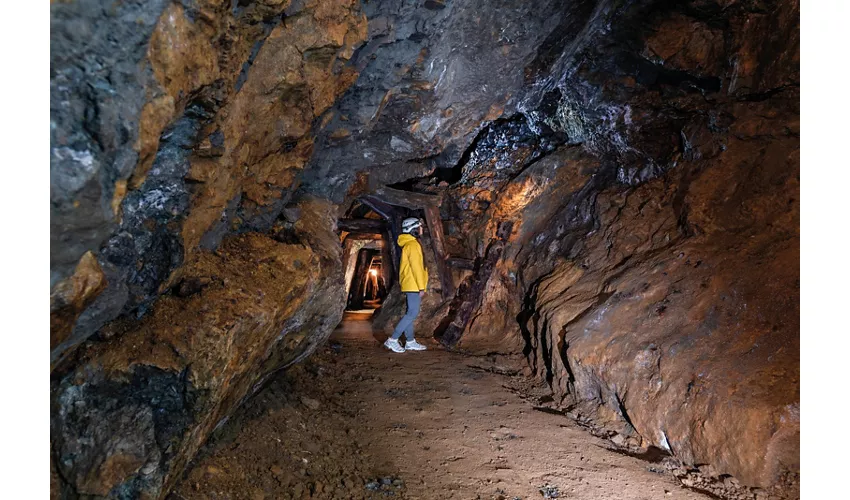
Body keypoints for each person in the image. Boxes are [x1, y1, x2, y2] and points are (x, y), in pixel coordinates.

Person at [384, 217, 429, 353]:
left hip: (411, 283)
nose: (421, 229)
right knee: (412, 313)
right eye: (419, 226)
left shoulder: (409, 244)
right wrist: (421, 286)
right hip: (414, 284)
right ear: (413, 230)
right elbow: (416, 267)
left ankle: (410, 341)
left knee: (410, 312)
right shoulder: (413, 245)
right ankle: (392, 340)